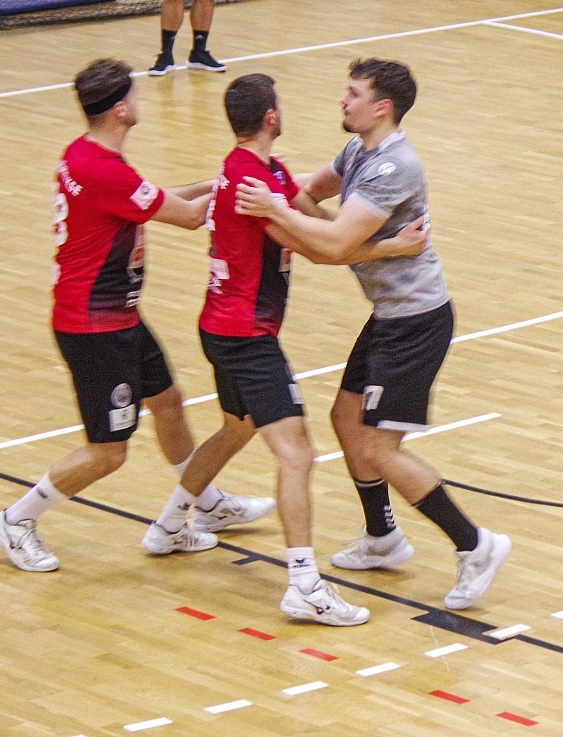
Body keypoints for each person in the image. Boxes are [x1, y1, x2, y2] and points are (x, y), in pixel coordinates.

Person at [234, 59, 510, 613]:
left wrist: (276, 210)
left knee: (379, 449)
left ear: (382, 107)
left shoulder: (394, 167)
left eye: (353, 93)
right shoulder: (356, 152)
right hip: (389, 316)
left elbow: (334, 244)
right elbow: (308, 196)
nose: (343, 100)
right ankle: (382, 536)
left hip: (416, 322)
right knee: (345, 418)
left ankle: (475, 545)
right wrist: (267, 194)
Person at [0, 59, 272, 573]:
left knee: (168, 403)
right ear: (120, 109)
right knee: (108, 452)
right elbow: (189, 216)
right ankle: (16, 520)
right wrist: (241, 182)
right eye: (135, 96)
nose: (140, 101)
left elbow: (159, 199)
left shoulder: (83, 154)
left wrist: (227, 179)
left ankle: (206, 504)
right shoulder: (105, 171)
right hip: (93, 328)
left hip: (119, 318)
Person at [154, 75, 421, 624]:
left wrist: (362, 231)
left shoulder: (260, 172)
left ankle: (169, 526)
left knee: (236, 428)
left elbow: (327, 224)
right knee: (297, 454)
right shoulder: (252, 184)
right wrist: (392, 247)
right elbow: (321, 251)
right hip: (244, 335)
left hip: (223, 325)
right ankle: (303, 585)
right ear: (271, 117)